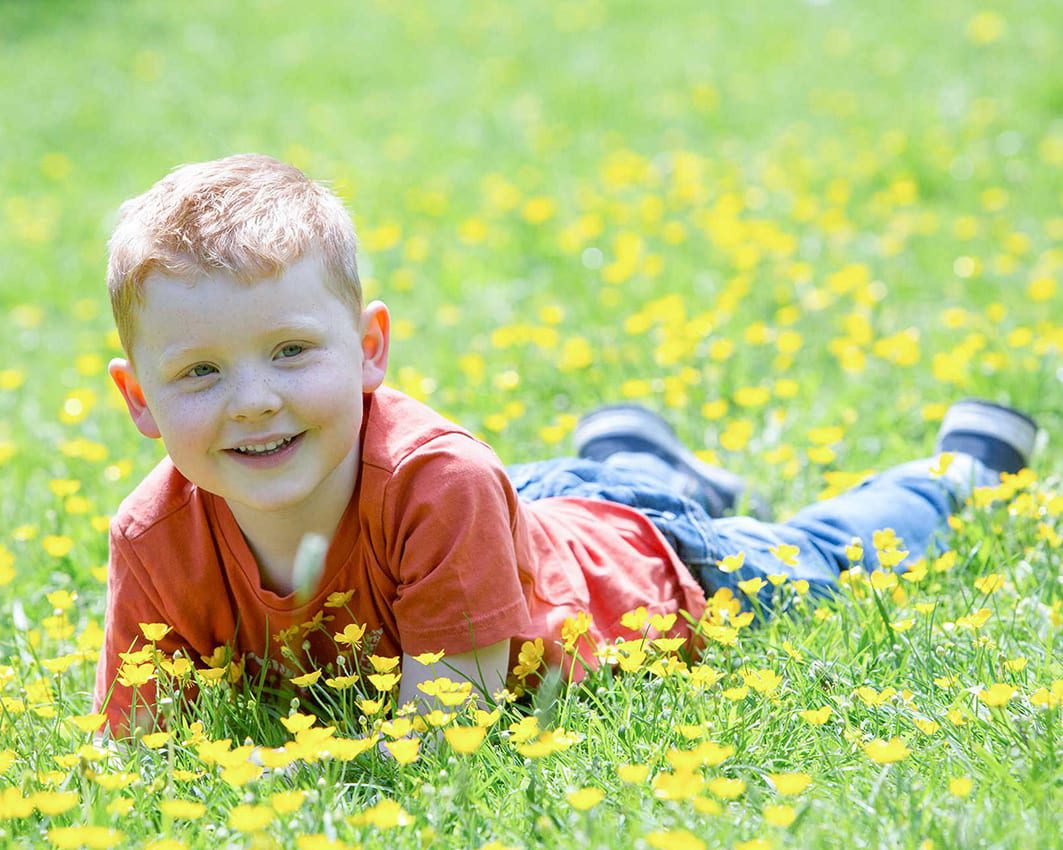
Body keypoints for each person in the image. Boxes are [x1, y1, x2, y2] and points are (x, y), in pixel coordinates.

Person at [94, 153, 1039, 739]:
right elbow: (135, 748)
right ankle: (635, 453)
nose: (254, 402)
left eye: (291, 352)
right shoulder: (151, 535)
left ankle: (950, 474)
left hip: (645, 565)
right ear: (139, 400)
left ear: (371, 348)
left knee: (822, 556)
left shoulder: (438, 485)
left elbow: (444, 727)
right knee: (581, 497)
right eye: (201, 373)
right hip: (534, 515)